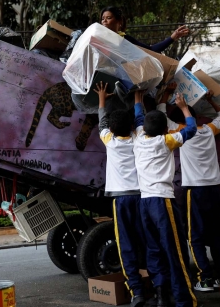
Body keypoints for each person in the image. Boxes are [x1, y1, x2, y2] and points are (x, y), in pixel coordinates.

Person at [159, 85, 220, 292]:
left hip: (195, 191)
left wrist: (167, 94)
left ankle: (206, 279)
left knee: (195, 236)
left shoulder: (180, 132)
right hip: (214, 190)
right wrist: (210, 100)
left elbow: (160, 114)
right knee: (218, 234)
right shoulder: (208, 130)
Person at [134, 91, 198, 307]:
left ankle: (162, 296)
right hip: (163, 202)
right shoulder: (166, 141)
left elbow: (137, 118)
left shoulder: (138, 139)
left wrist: (137, 99)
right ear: (164, 130)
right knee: (176, 251)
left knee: (154, 250)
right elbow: (191, 130)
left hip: (145, 203)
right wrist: (183, 107)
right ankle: (183, 300)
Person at [94, 82, 148, 307]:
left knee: (125, 243)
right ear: (131, 128)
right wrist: (138, 98)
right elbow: (140, 119)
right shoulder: (138, 138)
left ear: (113, 130)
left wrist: (102, 99)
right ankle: (154, 284)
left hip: (121, 200)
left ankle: (137, 291)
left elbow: (101, 122)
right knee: (145, 240)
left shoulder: (110, 141)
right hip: (142, 197)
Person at [100, 6, 189, 53]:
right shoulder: (97, 39)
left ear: (119, 21)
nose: (104, 21)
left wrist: (172, 37)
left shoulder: (126, 40)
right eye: (103, 18)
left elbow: (151, 50)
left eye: (108, 18)